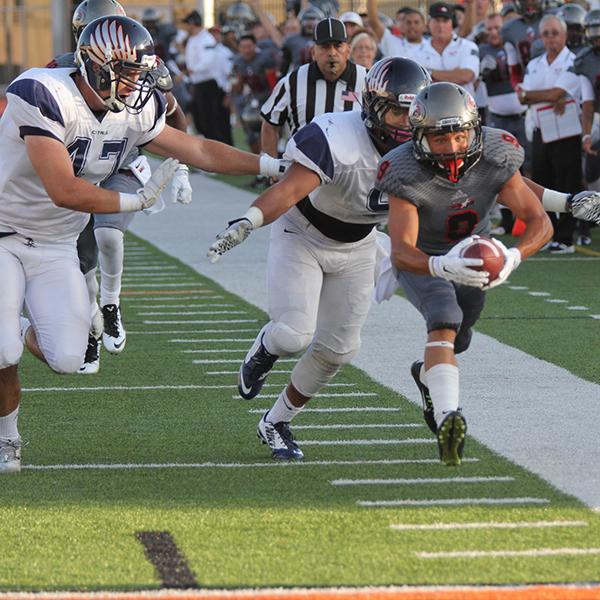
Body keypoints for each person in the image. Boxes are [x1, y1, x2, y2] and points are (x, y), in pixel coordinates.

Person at [0, 15, 288, 474]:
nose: (137, 82)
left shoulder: (134, 108)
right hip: (4, 232)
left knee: (70, 358)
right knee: (2, 353)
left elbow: (198, 148)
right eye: (130, 71)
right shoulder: (43, 93)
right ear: (98, 65)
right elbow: (63, 189)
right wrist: (137, 198)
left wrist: (272, 165)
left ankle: (12, 327)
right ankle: (8, 438)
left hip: (56, 242)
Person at [207, 58, 432, 460]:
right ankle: (266, 347)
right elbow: (289, 190)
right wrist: (248, 219)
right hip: (303, 235)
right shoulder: (337, 136)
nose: (404, 122)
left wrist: (563, 201)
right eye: (396, 110)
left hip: (360, 244)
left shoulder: (427, 143)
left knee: (339, 349)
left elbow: (496, 180)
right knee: (294, 334)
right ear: (374, 107)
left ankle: (276, 422)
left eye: (410, 112)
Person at [373, 82, 553, 466]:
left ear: (473, 128)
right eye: (440, 138)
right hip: (425, 258)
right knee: (444, 318)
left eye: (459, 134)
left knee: (461, 339)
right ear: (421, 137)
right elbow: (402, 250)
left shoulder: (497, 152)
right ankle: (448, 418)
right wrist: (439, 265)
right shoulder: (403, 169)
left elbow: (539, 220)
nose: (453, 146)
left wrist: (513, 257)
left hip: (474, 256)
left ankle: (426, 376)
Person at [56, 0, 190, 375]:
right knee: (81, 266)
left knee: (109, 235)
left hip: (125, 160)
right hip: (78, 172)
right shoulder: (60, 70)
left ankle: (111, 305)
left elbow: (172, 111)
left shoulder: (145, 64)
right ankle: (90, 331)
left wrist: (180, 168)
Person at [518, 14, 591, 252]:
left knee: (567, 182)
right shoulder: (535, 63)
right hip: (541, 129)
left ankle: (567, 236)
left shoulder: (574, 60)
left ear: (565, 35)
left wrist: (540, 96)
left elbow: (549, 94)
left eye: (555, 33)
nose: (551, 38)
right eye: (546, 33)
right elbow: (524, 97)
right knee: (542, 182)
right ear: (541, 37)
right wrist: (548, 96)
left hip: (567, 131)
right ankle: (546, 234)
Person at [260, 17, 368, 158]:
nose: (332, 52)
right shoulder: (293, 81)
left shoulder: (367, 80)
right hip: (304, 169)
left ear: (348, 50)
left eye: (338, 46)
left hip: (353, 172)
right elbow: (270, 124)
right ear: (313, 52)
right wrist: (271, 166)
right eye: (324, 46)